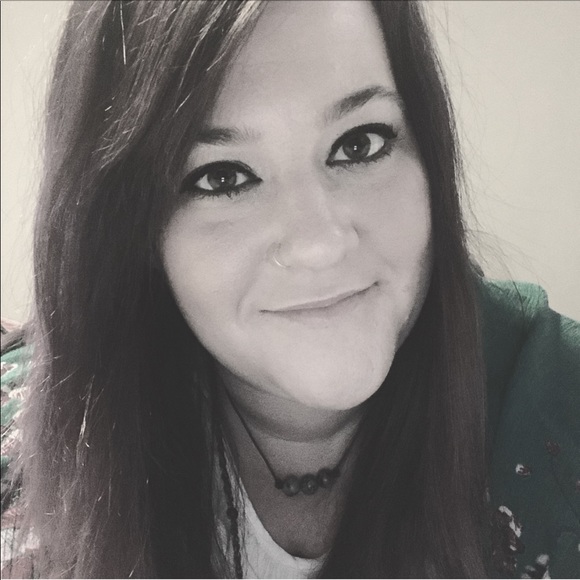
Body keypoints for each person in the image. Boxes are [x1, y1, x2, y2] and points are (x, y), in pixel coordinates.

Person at [1, 1, 578, 578]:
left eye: (360, 143)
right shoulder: (30, 452)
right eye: (222, 177)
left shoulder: (558, 403)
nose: (319, 244)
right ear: (129, 233)